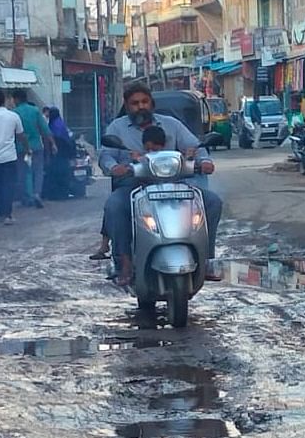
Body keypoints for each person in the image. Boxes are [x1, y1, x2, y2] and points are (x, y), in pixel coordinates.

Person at [97, 82, 224, 286]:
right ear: (127, 106)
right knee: (115, 205)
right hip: (134, 186)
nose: (140, 107)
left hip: (175, 183)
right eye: (135, 103)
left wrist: (204, 161)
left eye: (144, 102)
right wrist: (114, 168)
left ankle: (206, 259)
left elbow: (194, 146)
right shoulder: (117, 128)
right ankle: (125, 262)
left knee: (211, 202)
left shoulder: (171, 124)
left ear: (152, 104)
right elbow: (105, 155)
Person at [89, 124, 168, 261]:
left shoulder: (170, 158)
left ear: (164, 145)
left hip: (165, 191)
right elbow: (110, 159)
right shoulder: (138, 156)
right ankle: (120, 257)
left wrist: (191, 160)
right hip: (138, 189)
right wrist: (126, 166)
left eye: (154, 149)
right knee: (114, 206)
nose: (150, 152)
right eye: (147, 148)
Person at [0, 89, 27, 225]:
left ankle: (2, 211)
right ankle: (7, 214)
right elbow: (21, 136)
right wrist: (27, 148)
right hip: (10, 157)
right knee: (9, 186)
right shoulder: (13, 116)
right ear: (5, 100)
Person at [10, 89, 54, 208]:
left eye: (13, 99)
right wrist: (53, 144)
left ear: (17, 99)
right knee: (38, 171)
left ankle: (27, 196)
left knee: (24, 172)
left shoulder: (14, 113)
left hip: (21, 148)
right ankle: (36, 194)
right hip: (36, 146)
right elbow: (45, 129)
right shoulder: (35, 111)